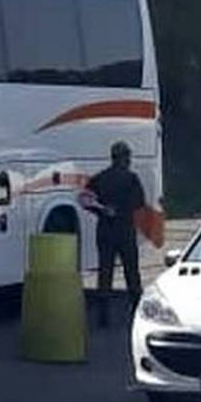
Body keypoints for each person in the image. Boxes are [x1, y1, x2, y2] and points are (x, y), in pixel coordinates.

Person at [81, 140, 147, 327]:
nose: (129, 160)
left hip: (105, 230)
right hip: (125, 230)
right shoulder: (131, 179)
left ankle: (103, 317)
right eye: (128, 157)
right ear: (124, 158)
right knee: (131, 272)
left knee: (105, 273)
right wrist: (124, 210)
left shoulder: (100, 178)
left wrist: (101, 210)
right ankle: (135, 312)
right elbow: (139, 203)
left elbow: (84, 199)